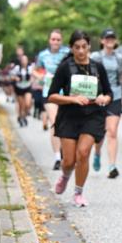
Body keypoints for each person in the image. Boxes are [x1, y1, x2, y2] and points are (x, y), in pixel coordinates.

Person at [49, 31, 113, 207]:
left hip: (92, 116)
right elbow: (52, 96)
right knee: (69, 161)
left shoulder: (97, 67)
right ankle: (65, 175)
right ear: (71, 48)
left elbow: (109, 93)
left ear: (89, 47)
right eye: (77, 47)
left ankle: (78, 193)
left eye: (84, 47)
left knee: (83, 153)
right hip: (69, 116)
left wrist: (104, 99)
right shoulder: (65, 67)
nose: (81, 51)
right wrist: (72, 99)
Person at [91, 29, 122, 178]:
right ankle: (97, 153)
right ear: (102, 41)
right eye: (107, 38)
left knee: (112, 131)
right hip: (99, 97)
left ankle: (112, 166)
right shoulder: (95, 57)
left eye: (112, 38)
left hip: (115, 96)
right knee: (100, 133)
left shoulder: (119, 57)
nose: (110, 40)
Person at [37, 30, 71, 170]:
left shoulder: (67, 53)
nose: (55, 42)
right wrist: (41, 77)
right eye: (53, 39)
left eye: (58, 39)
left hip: (66, 93)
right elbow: (36, 69)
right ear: (49, 40)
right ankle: (57, 157)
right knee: (55, 122)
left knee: (65, 123)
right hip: (49, 92)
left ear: (61, 41)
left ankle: (64, 149)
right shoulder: (42, 55)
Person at [12, 53, 34, 127]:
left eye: (25, 60)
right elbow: (12, 76)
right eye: (23, 60)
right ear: (20, 61)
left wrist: (32, 80)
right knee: (21, 105)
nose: (24, 61)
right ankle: (21, 118)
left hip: (27, 87)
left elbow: (33, 76)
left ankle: (24, 116)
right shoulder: (17, 68)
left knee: (27, 104)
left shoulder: (30, 68)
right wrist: (16, 78)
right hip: (19, 88)